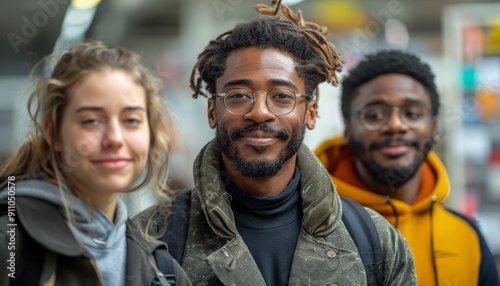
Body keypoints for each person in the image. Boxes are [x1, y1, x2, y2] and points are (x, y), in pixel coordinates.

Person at [138, 1, 417, 285]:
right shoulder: (150, 238)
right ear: (212, 111)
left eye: (282, 96)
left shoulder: (375, 242)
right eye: (238, 96)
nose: (259, 112)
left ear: (310, 112)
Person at [0, 41, 191, 286]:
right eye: (91, 121)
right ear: (53, 133)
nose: (114, 138)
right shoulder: (11, 246)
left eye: (131, 120)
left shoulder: (163, 271)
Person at [315, 50, 500, 285]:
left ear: (434, 127)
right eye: (375, 115)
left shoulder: (466, 237)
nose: (395, 125)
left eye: (412, 113)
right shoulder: (310, 228)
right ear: (348, 128)